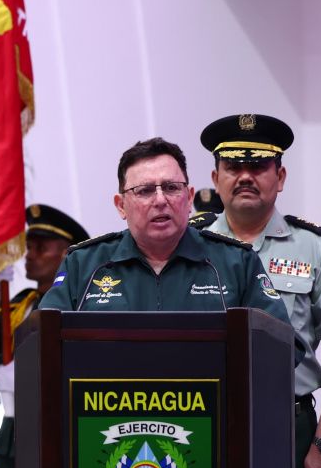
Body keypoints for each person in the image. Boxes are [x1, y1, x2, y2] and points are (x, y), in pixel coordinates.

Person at [195, 113, 321, 468]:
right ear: (216, 177)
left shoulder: (313, 247)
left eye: (258, 166)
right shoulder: (190, 247)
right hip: (200, 419)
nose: (245, 176)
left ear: (281, 176)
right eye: (233, 166)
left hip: (286, 424)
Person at [39, 137, 293, 327]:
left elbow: (282, 345)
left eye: (171, 188)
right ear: (121, 206)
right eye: (145, 191)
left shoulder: (236, 262)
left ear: (189, 197)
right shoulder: (84, 265)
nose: (160, 200)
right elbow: (42, 343)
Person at [0, 204, 89, 468]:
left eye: (41, 247)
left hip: (57, 429)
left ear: (66, 253)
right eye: (29, 246)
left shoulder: (84, 302)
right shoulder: (18, 304)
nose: (30, 255)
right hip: (14, 430)